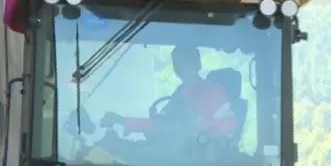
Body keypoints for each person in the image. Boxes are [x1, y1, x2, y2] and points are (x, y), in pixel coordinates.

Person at [101, 45, 238, 140]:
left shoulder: (214, 91)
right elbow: (162, 125)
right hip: (175, 155)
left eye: (186, 62)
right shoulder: (180, 94)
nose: (181, 68)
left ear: (198, 64)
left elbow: (230, 124)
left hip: (204, 158)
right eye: (177, 64)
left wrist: (205, 130)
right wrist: (123, 121)